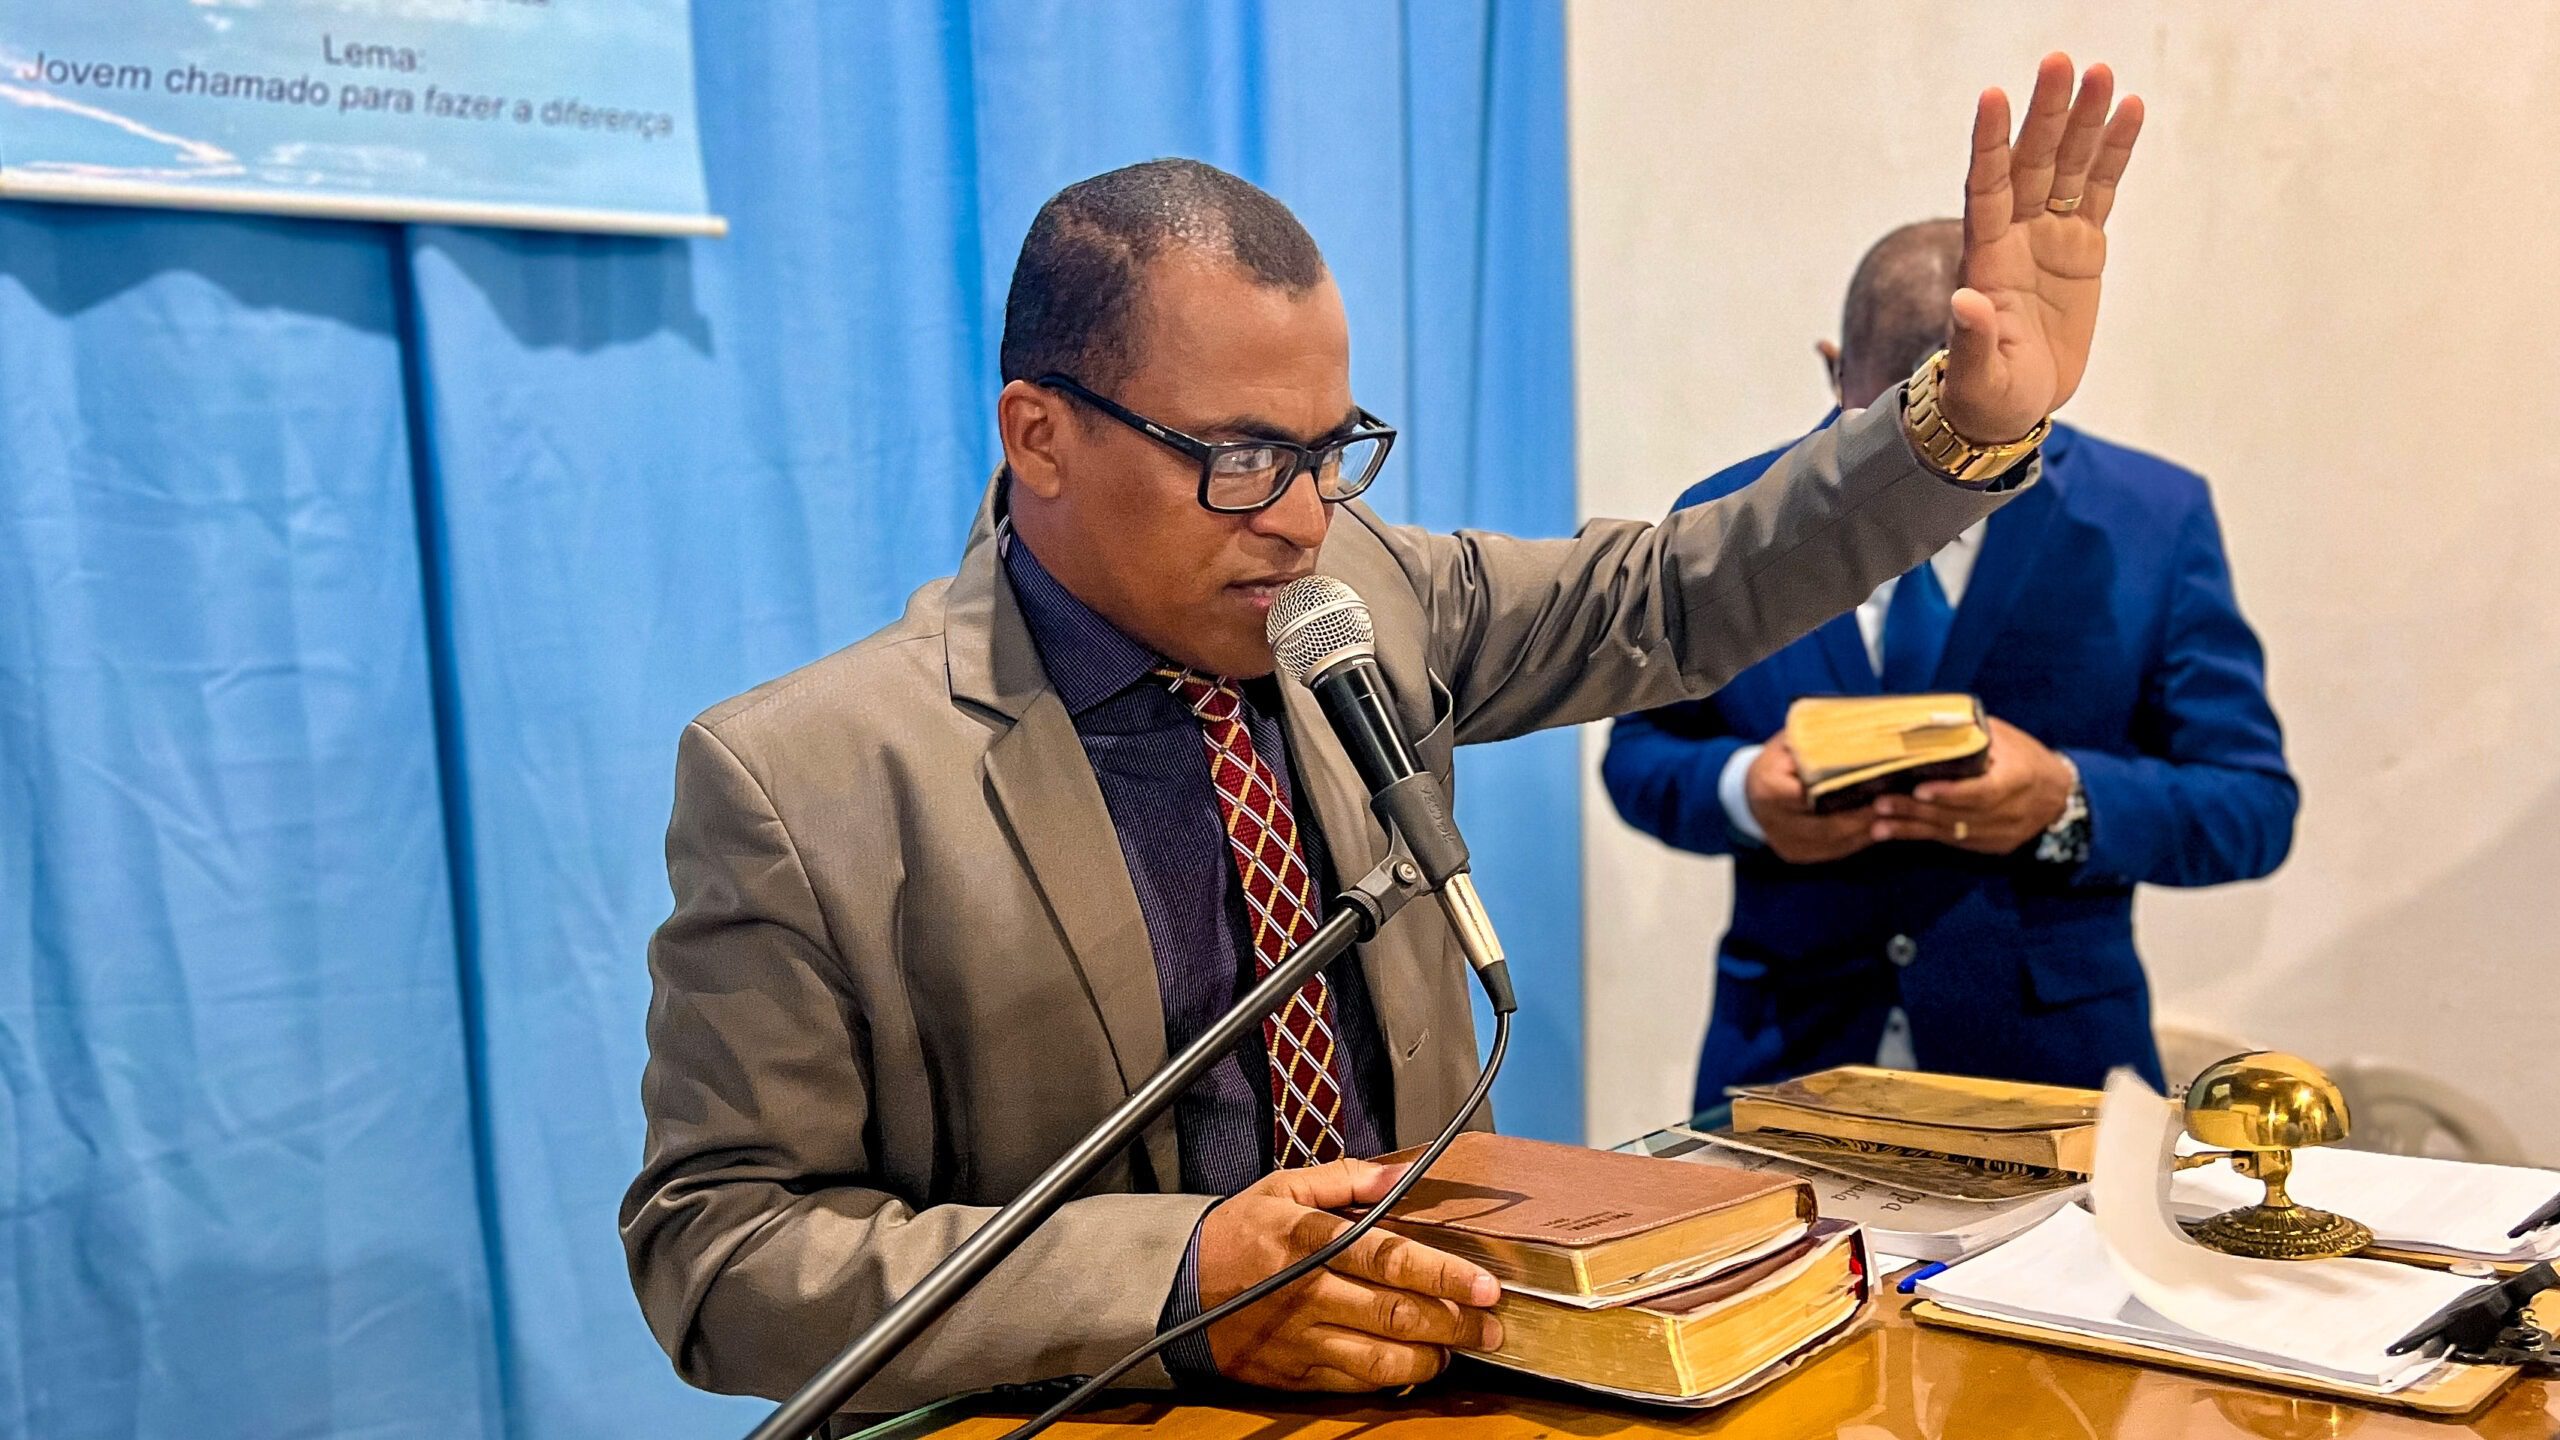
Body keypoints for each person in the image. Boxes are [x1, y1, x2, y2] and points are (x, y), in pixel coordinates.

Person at [623, 57, 2143, 1415]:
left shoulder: (1360, 597)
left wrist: (1961, 428)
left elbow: (1675, 596)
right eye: (1240, 458)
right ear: (1042, 437)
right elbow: (719, 1254)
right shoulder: (811, 783)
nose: (1301, 520)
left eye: (1330, 450)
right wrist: (1172, 1283)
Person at [1602, 217, 2295, 1108]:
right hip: (1783, 1067)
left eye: (1963, 431)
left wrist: (2064, 799)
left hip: (2051, 1084)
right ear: (1832, 372)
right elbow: (1639, 754)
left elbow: (2252, 805)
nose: (1922, 468)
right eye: (1885, 431)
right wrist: (1744, 794)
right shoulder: (1728, 516)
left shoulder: (2151, 520)